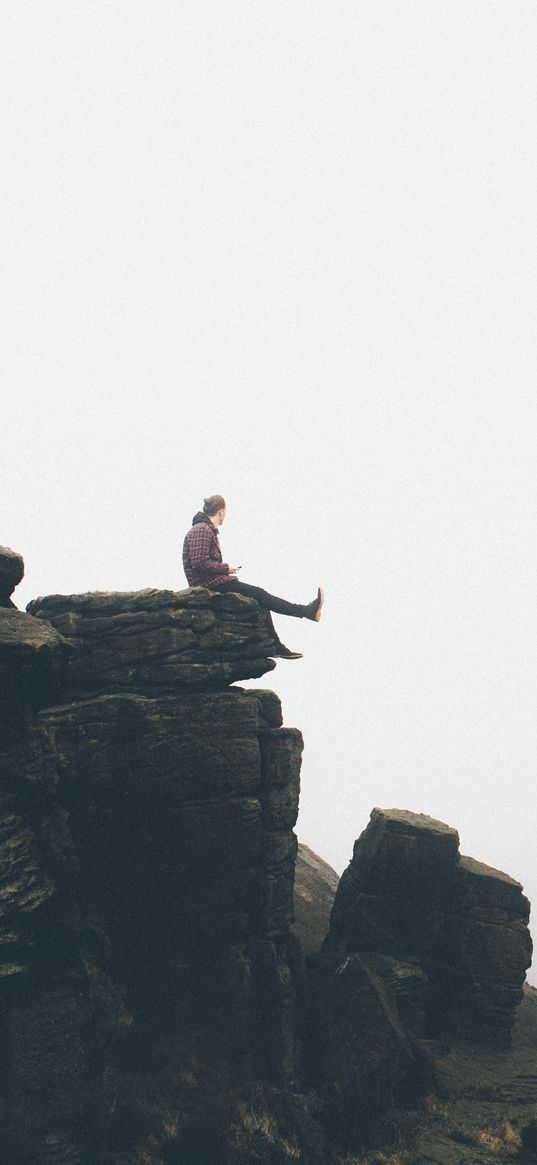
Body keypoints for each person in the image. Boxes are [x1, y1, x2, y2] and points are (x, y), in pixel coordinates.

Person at [182, 495, 324, 660]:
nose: (224, 516)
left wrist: (225, 570)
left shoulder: (204, 529)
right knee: (260, 594)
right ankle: (306, 612)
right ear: (220, 512)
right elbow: (199, 563)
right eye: (225, 512)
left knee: (260, 599)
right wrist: (225, 568)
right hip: (208, 585)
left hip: (212, 583)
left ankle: (276, 645)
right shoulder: (202, 530)